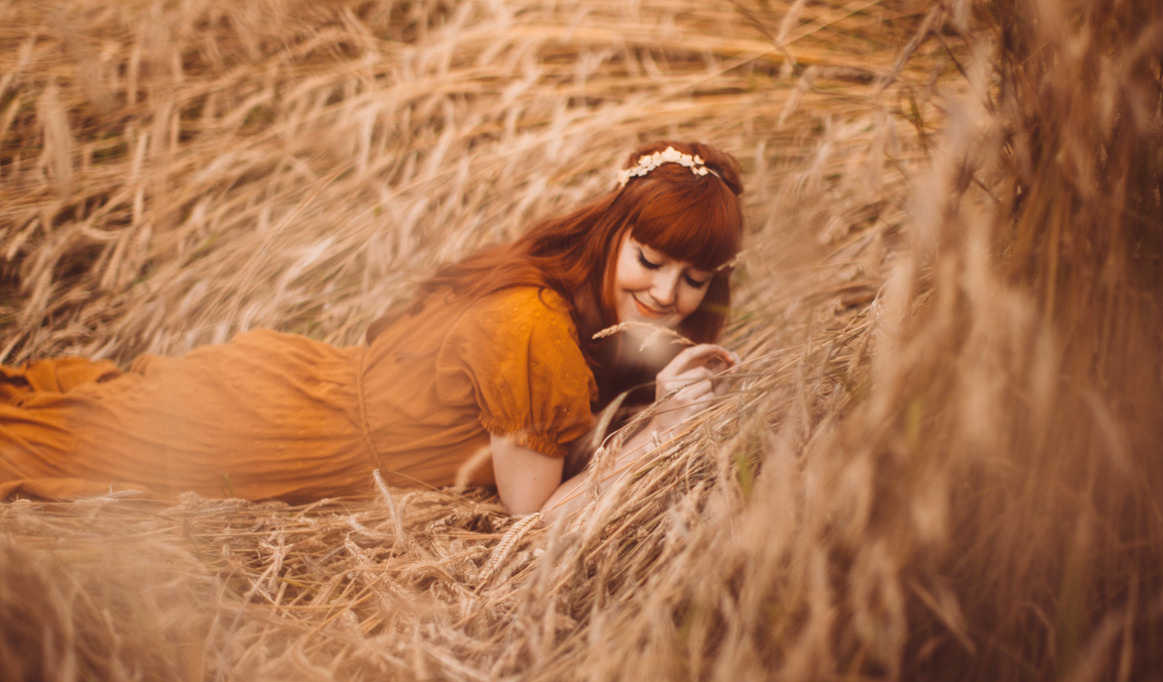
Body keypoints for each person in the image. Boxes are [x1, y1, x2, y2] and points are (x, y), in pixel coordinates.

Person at [0, 141, 744, 516]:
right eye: (650, 260)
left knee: (59, 418)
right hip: (277, 431)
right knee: (39, 444)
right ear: (613, 232)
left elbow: (570, 424)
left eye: (695, 277)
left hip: (297, 385)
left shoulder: (580, 301)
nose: (667, 293)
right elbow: (536, 518)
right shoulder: (533, 327)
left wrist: (654, 389)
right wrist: (660, 430)